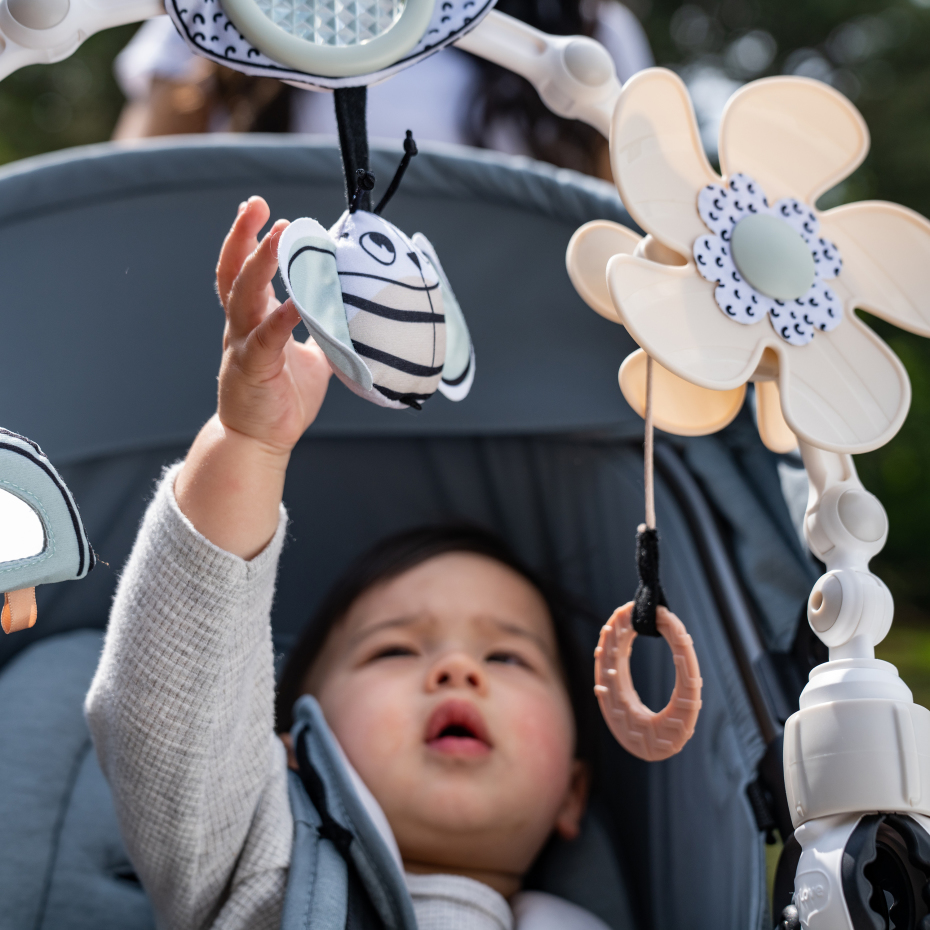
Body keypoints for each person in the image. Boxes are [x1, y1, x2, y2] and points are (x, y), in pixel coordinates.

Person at [85, 196, 610, 930]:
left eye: (509, 658)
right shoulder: (261, 871)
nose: (458, 670)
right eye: (395, 648)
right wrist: (251, 445)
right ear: (294, 751)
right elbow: (172, 718)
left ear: (573, 794)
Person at [112, 0, 653, 178]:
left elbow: (638, 232)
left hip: (528, 396)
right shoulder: (213, 16)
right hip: (271, 373)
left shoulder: (588, 33)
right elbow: (137, 195)